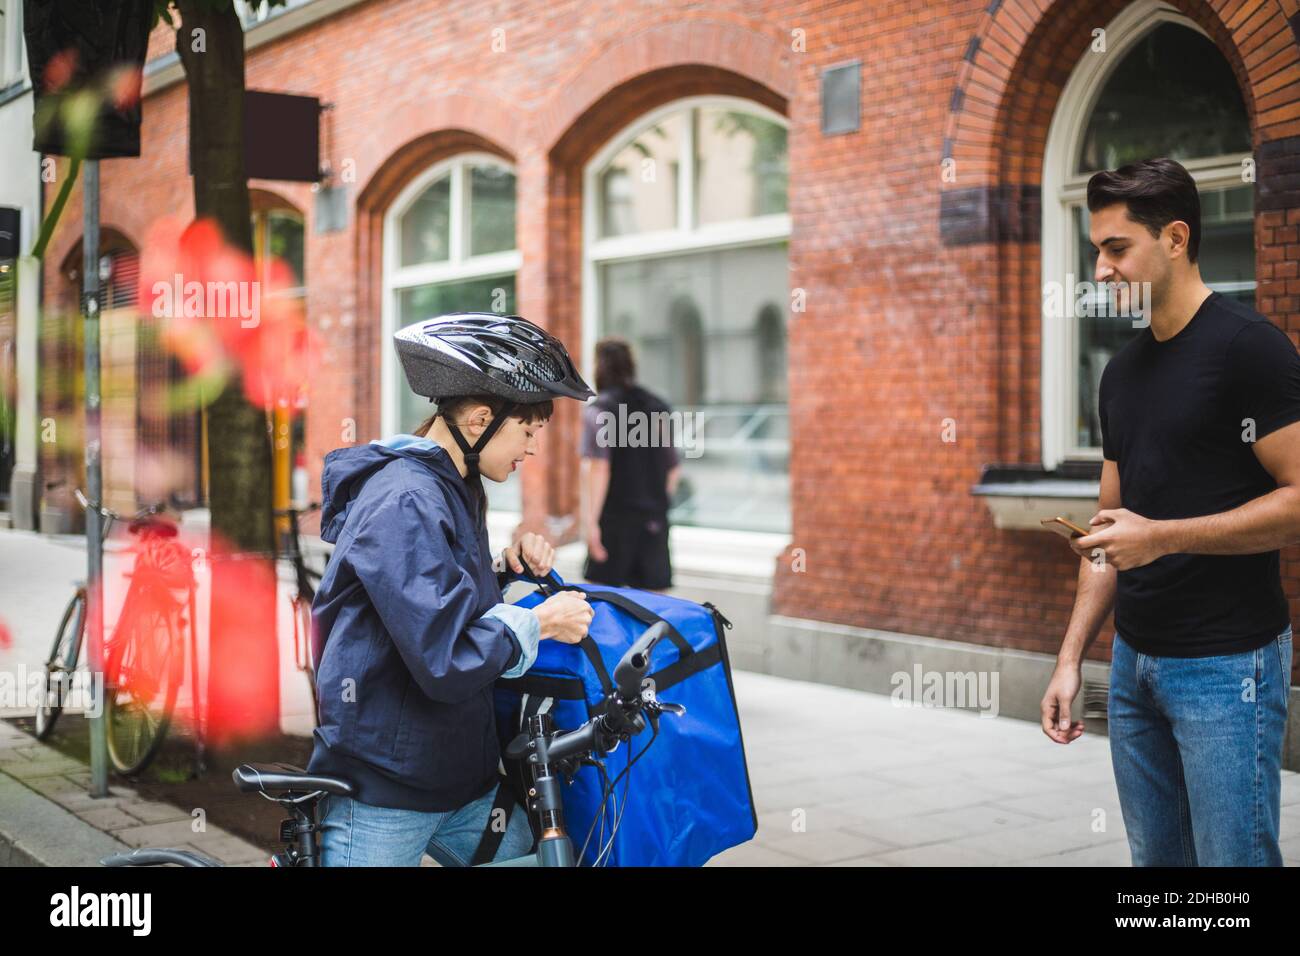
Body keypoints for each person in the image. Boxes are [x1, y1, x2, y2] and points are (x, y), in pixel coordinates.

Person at [1040, 158, 1297, 866]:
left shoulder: (1251, 350)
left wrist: (1164, 538)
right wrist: (1070, 661)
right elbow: (1108, 532)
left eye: (1117, 248)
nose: (1101, 267)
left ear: (1176, 239)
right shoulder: (1121, 373)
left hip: (1228, 665)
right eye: (1096, 249)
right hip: (1132, 666)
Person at [307, 312, 596, 866]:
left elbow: (435, 598)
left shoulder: (453, 484)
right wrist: (541, 622)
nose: (533, 447)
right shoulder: (406, 498)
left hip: (458, 779)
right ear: (481, 419)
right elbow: (445, 657)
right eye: (528, 430)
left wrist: (505, 572)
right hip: (384, 791)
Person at [580, 338, 681, 591]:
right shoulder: (657, 407)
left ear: (599, 366)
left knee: (603, 604)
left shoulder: (600, 410)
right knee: (653, 609)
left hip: (614, 520)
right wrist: (656, 503)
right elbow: (674, 467)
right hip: (653, 522)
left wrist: (590, 524)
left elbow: (598, 468)